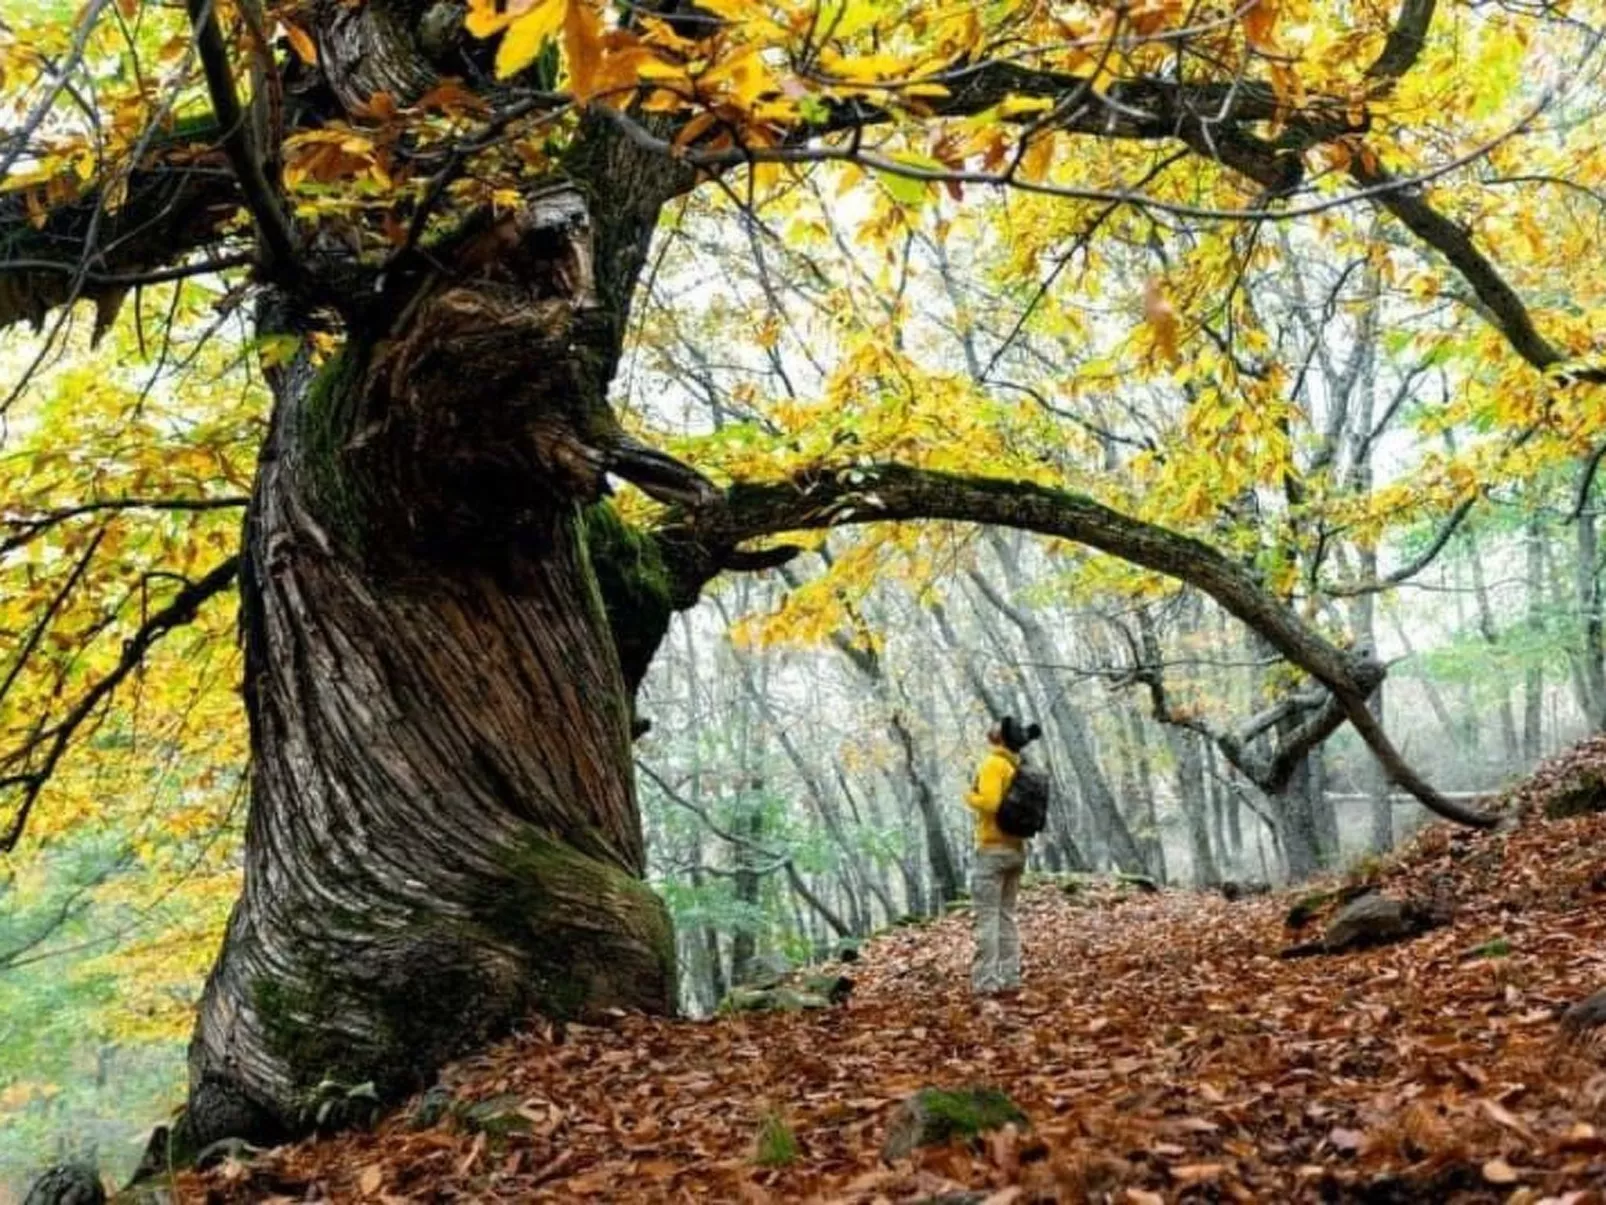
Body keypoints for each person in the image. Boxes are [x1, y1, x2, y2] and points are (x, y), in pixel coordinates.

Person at [965, 715, 1041, 996]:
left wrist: (968, 797)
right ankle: (1010, 978)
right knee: (1006, 916)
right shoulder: (1016, 767)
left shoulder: (992, 764)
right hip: (1016, 851)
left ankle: (985, 983)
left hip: (992, 850)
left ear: (998, 737)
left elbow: (990, 803)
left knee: (987, 917)